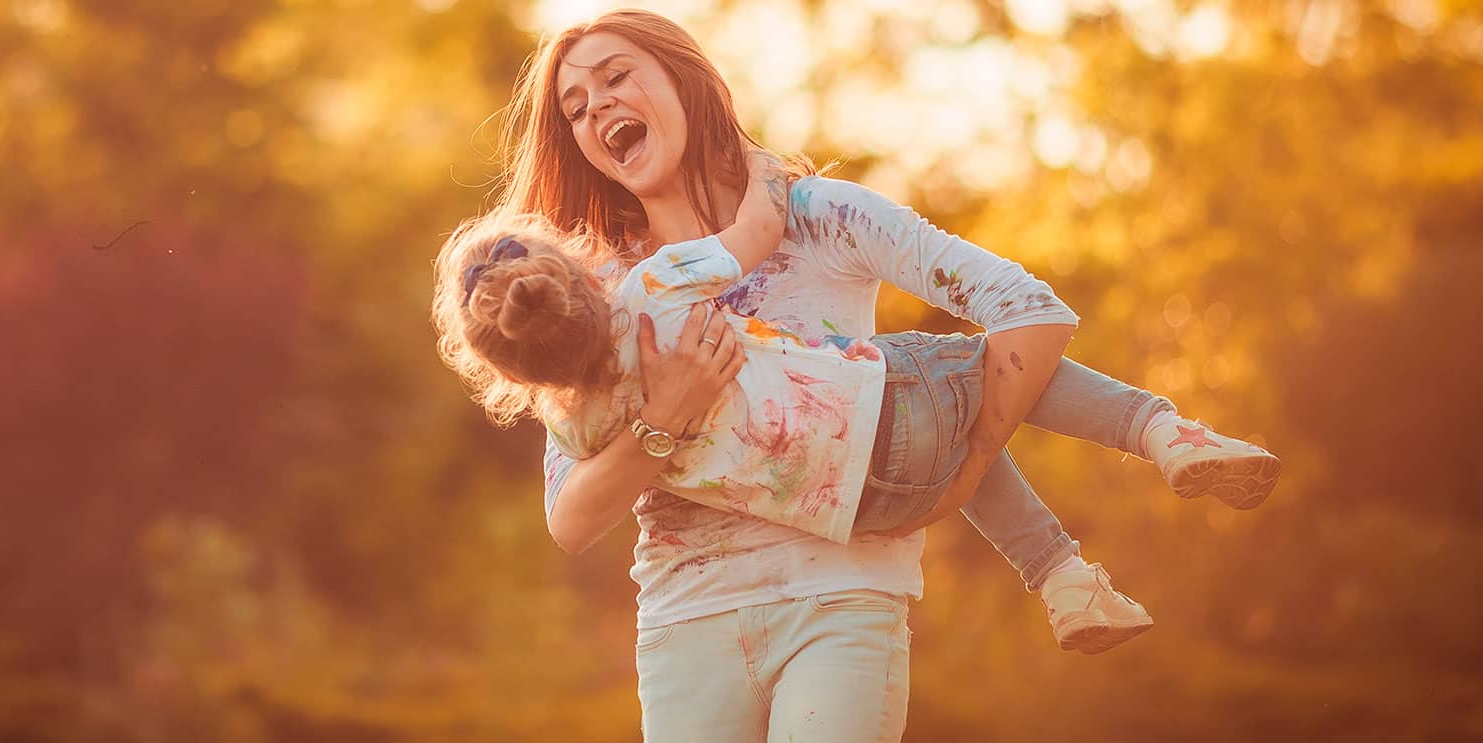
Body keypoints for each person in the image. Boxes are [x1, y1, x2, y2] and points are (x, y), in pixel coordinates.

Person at [457, 8, 1275, 742]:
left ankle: (1150, 447)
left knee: (928, 382)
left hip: (844, 597)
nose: (595, 107)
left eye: (614, 77)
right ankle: (1078, 549)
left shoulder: (820, 216)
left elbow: (1029, 311)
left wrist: (972, 463)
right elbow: (569, 517)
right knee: (927, 384)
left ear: (683, 79)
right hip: (687, 619)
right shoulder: (599, 291)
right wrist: (666, 415)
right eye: (574, 107)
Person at [433, 145, 1279, 641]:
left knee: (958, 426)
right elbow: (760, 230)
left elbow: (574, 517)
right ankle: (1164, 432)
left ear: (512, 376)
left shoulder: (576, 430)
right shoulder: (656, 285)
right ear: (580, 270)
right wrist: (763, 167)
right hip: (874, 408)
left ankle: (1065, 581)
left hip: (856, 511)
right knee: (988, 376)